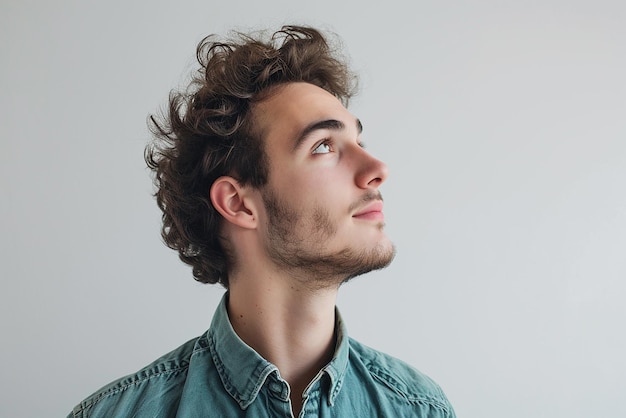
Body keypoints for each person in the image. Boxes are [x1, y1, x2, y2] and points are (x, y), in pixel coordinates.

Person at [68, 25, 456, 418]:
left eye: (359, 143)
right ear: (238, 204)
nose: (377, 168)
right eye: (324, 146)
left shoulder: (419, 408)